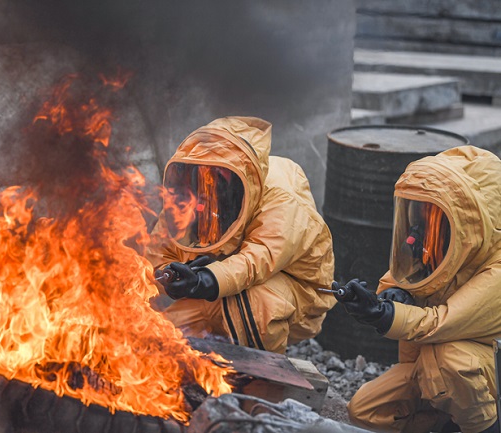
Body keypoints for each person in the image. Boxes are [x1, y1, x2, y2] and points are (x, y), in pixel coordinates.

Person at [333, 146, 501, 433]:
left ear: (467, 225)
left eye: (429, 222)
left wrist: (382, 316)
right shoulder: (447, 247)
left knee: (451, 360)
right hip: (432, 367)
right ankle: (448, 424)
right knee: (365, 411)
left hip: (484, 374)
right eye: (417, 219)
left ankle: (486, 428)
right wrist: (391, 295)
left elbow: (443, 323)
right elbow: (403, 277)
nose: (413, 238)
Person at [146, 116, 336, 354]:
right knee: (160, 340)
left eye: (213, 182)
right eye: (199, 180)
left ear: (242, 182)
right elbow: (157, 254)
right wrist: (171, 278)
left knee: (255, 306)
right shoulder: (188, 198)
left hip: (292, 297)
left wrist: (204, 280)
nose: (204, 193)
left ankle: (262, 382)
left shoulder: (283, 200)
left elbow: (258, 259)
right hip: (217, 289)